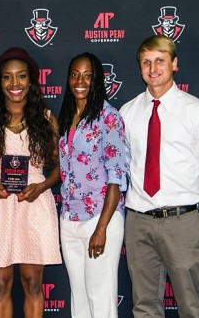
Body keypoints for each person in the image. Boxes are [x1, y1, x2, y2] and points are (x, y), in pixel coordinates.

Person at [119, 35, 199, 318]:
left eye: (160, 61)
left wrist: (185, 201)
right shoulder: (127, 112)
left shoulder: (198, 113)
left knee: (190, 305)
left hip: (181, 221)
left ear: (174, 64)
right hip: (138, 220)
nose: (153, 68)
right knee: (144, 305)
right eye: (146, 62)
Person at [0, 47, 62, 318]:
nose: (15, 84)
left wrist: (43, 186)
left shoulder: (46, 119)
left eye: (21, 76)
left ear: (31, 81)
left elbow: (60, 168)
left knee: (33, 283)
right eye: (7, 78)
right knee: (0, 285)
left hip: (33, 203)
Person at [58, 52, 129, 318]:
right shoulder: (67, 116)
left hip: (100, 218)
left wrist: (102, 229)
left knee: (101, 300)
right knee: (80, 299)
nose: (80, 81)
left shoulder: (108, 117)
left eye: (88, 75)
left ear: (97, 80)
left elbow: (116, 176)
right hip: (70, 219)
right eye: (75, 74)